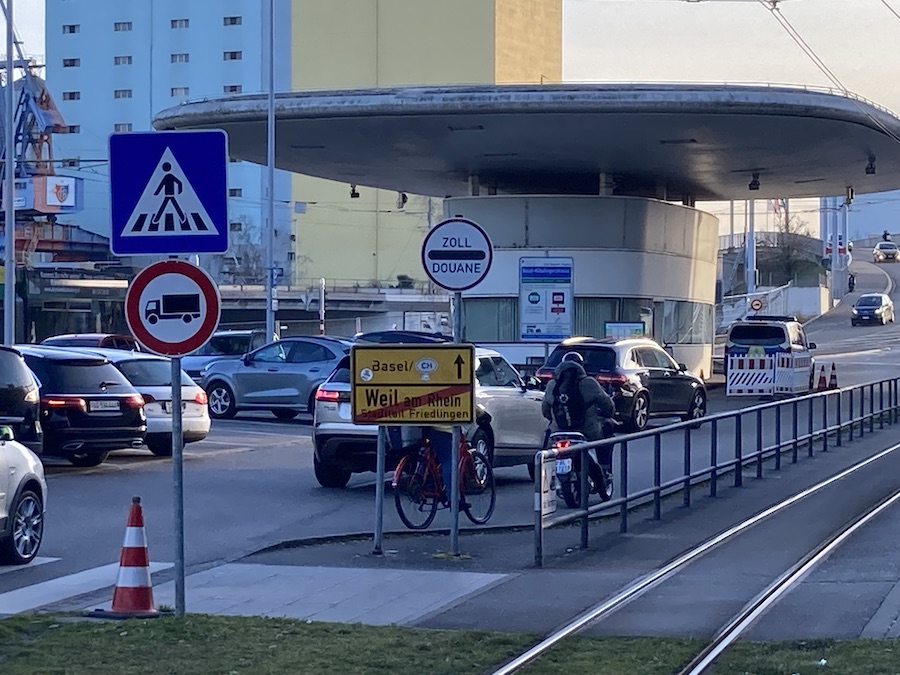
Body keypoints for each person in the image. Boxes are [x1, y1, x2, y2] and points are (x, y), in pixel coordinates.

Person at [541, 351, 616, 469]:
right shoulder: (589, 383)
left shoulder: (552, 385)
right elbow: (608, 407)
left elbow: (545, 411)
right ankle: (605, 467)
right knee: (608, 429)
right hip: (587, 433)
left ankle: (543, 474)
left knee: (546, 437)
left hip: (559, 432)